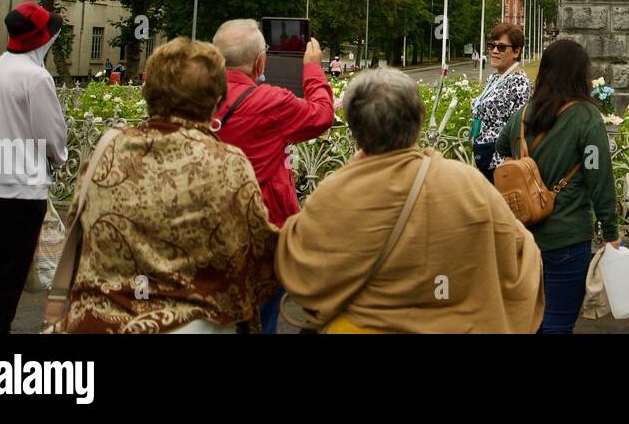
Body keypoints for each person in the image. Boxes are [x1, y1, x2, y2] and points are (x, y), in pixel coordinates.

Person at [277, 68, 544, 333]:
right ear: (418, 121)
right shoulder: (468, 184)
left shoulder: (335, 192)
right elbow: (523, 255)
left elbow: (297, 265)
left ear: (355, 128)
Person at [60, 38, 278, 332]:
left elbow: (77, 229)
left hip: (97, 322)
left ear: (149, 92)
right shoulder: (224, 162)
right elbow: (256, 252)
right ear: (216, 100)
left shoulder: (106, 150)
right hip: (183, 324)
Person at [211, 19, 336, 334]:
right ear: (260, 62)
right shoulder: (269, 102)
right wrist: (312, 68)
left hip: (207, 226)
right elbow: (321, 115)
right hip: (263, 228)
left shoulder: (193, 98)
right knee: (262, 316)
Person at [495, 39, 620, 334]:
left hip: (522, 238)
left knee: (527, 323)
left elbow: (499, 147)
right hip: (567, 237)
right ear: (580, 75)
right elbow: (598, 177)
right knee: (558, 324)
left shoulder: (523, 115)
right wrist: (611, 232)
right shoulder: (586, 118)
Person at [0, 2, 69, 334]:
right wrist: (60, 157)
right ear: (41, 39)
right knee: (11, 275)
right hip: (24, 188)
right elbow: (52, 136)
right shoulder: (37, 77)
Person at [471, 23, 532, 182]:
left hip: (500, 164)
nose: (495, 51)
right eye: (492, 46)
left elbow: (518, 127)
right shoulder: (494, 78)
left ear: (516, 52)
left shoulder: (519, 83)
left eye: (502, 47)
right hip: (483, 157)